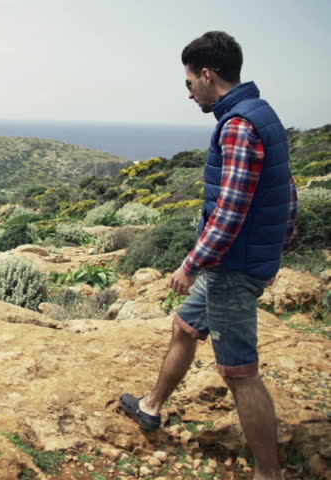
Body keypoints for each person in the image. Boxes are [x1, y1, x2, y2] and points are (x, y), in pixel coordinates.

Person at [119, 31, 297, 480]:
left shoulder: (238, 125)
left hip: (232, 267)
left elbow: (230, 211)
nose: (188, 92)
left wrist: (190, 264)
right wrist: (277, 247)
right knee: (184, 326)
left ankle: (268, 473)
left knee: (239, 371)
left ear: (207, 74)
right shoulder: (262, 113)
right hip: (238, 261)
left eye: (188, 83)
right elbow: (287, 191)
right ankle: (152, 406)